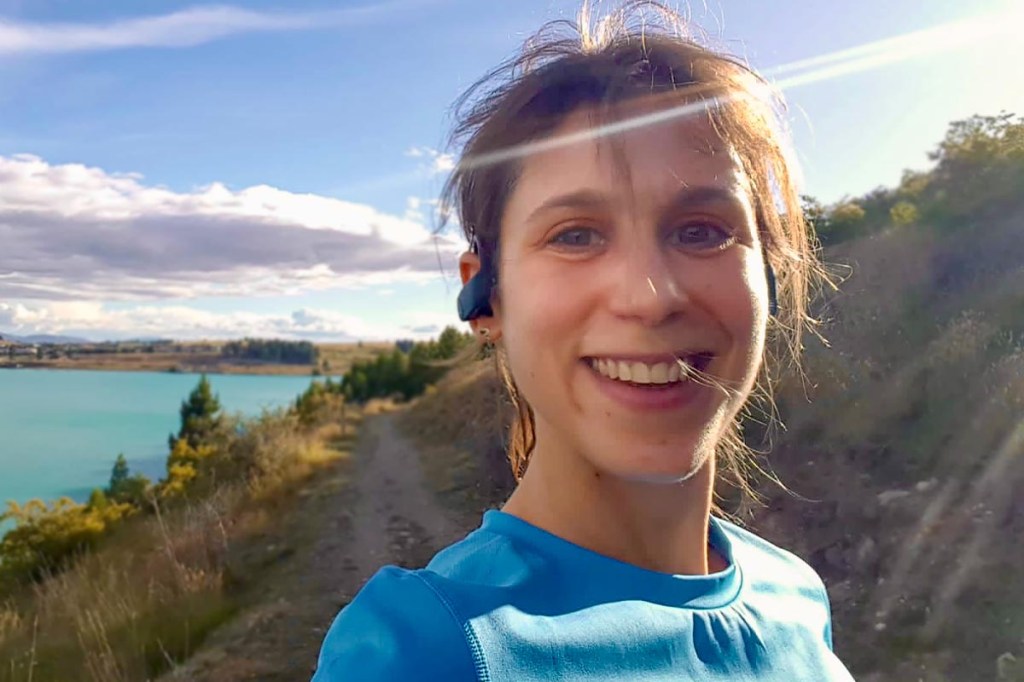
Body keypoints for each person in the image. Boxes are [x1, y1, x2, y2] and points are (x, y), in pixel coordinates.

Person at [313, 2, 853, 679]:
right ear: (486, 299)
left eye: (702, 230)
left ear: (768, 280)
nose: (648, 297)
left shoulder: (795, 595)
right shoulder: (426, 649)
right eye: (575, 235)